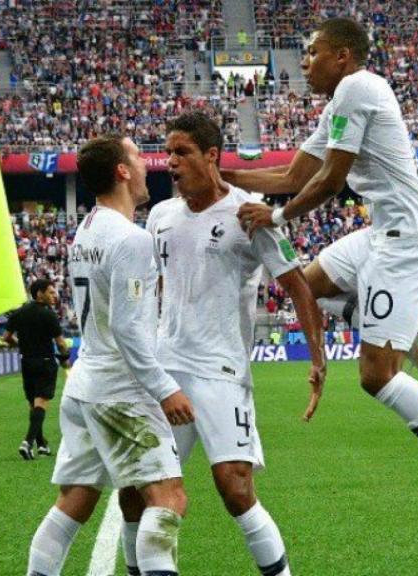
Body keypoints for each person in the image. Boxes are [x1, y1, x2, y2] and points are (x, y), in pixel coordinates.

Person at [225, 18, 418, 553]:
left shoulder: (359, 87)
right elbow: (292, 174)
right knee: (305, 286)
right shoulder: (339, 103)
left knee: (376, 377)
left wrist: (278, 219)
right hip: (383, 233)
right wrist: (225, 178)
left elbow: (328, 182)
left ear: (342, 55)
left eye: (312, 52)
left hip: (411, 241)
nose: (303, 61)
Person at [131, 112, 326, 576]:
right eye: (168, 152)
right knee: (139, 489)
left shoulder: (248, 214)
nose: (171, 162)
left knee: (235, 489)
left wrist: (318, 360)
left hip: (220, 372)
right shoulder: (159, 216)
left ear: (211, 156)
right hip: (166, 370)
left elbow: (298, 286)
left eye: (183, 152)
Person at [27, 135, 194, 576]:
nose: (146, 165)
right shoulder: (130, 239)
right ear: (122, 171)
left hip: (85, 386)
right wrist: (165, 389)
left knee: (75, 501)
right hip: (120, 391)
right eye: (138, 157)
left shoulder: (86, 230)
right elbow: (126, 328)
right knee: (169, 497)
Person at [5, 278, 72, 460]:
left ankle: (42, 445)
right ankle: (27, 442)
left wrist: (21, 345)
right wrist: (65, 357)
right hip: (45, 362)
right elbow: (60, 342)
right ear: (39, 293)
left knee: (33, 405)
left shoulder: (18, 313)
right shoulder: (48, 314)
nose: (54, 295)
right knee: (41, 403)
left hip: (27, 362)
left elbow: (7, 337)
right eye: (51, 292)